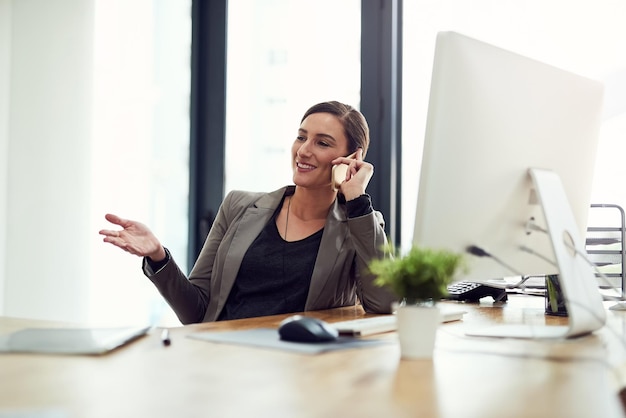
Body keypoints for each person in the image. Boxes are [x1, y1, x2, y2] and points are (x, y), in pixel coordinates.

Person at [99, 101, 397, 324]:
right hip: (225, 360)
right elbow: (196, 312)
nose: (304, 150)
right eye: (301, 136)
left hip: (301, 369)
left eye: (322, 142)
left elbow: (385, 303)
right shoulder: (239, 207)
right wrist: (158, 256)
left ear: (352, 157)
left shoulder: (360, 225)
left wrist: (355, 198)